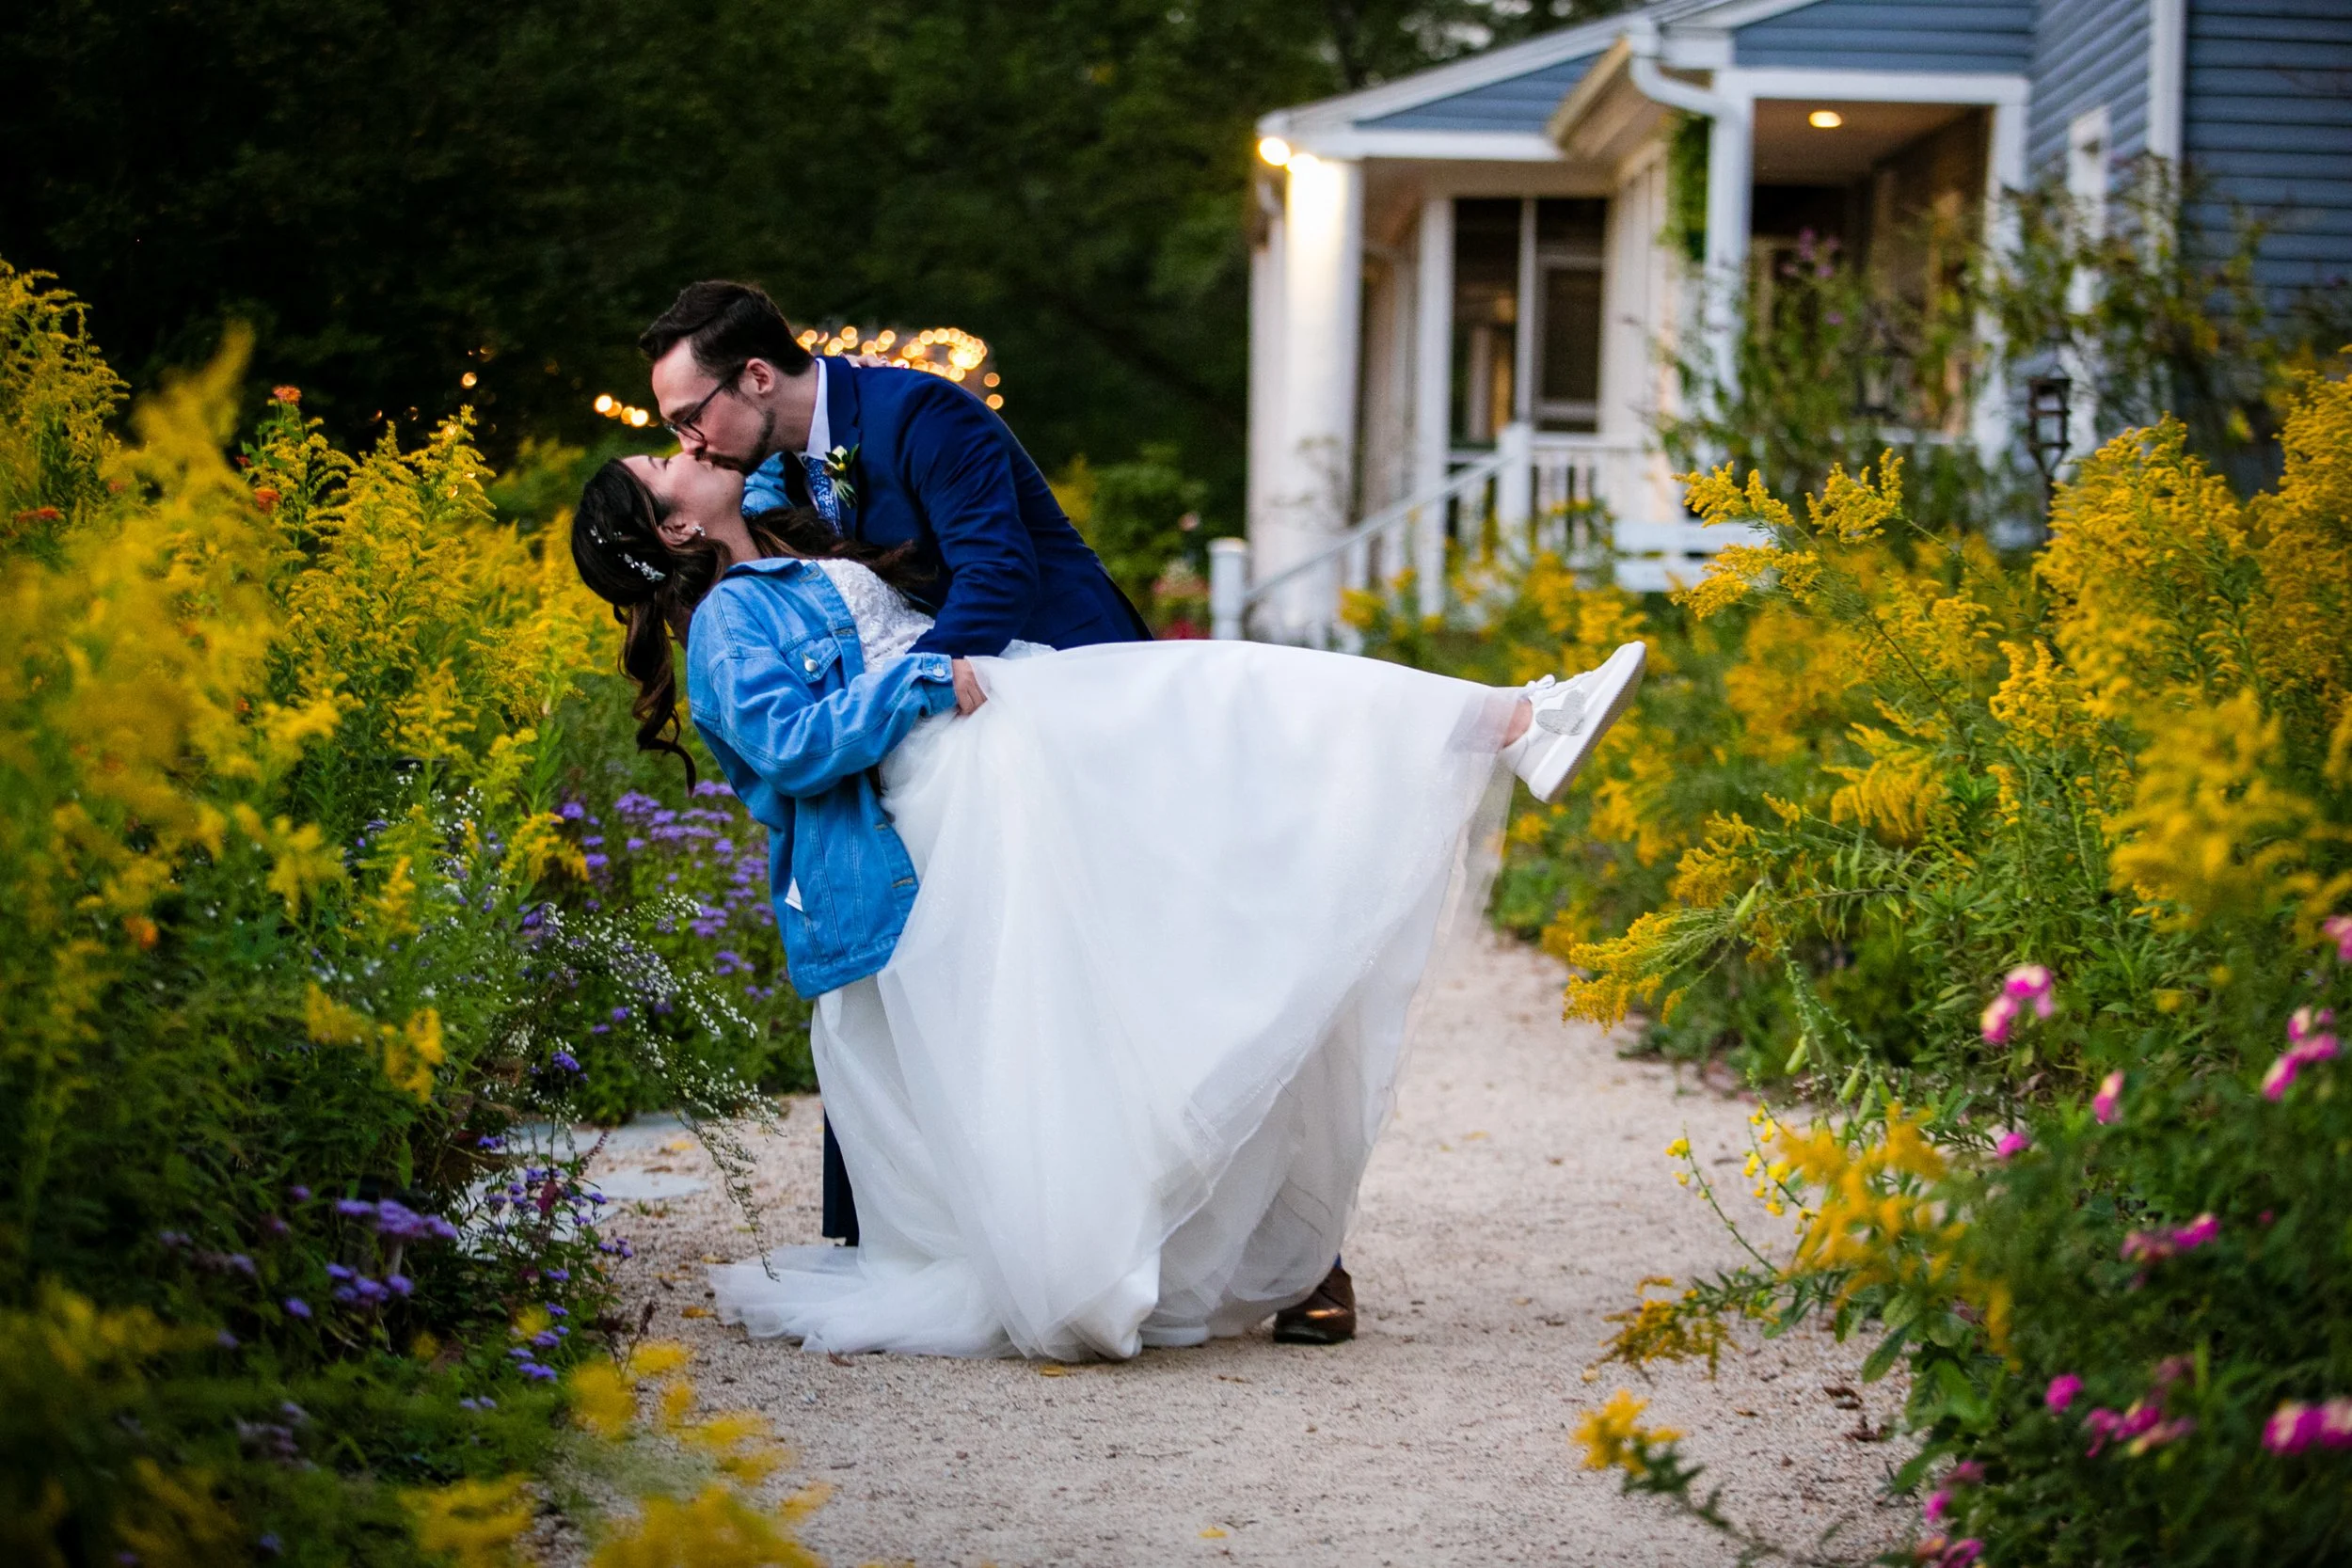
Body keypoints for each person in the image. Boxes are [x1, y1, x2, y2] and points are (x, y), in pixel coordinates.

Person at [570, 450, 1646, 1361]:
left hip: (996, 734)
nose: (684, 444)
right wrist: (921, 683)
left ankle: (1501, 723)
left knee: (1218, 710)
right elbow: (788, 748)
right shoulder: (721, 628)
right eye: (663, 459)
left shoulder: (792, 525)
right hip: (950, 781)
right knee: (1205, 696)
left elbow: (800, 430)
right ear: (670, 524)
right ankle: (1504, 723)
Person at [637, 280, 1152, 1273]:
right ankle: (923, 1229)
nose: (691, 444)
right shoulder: (779, 474)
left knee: (1133, 970)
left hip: (1076, 687)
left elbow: (996, 577)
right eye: (673, 436)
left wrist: (910, 704)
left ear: (753, 376)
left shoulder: (925, 414)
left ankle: (1290, 1257)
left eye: (689, 419)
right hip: (963, 735)